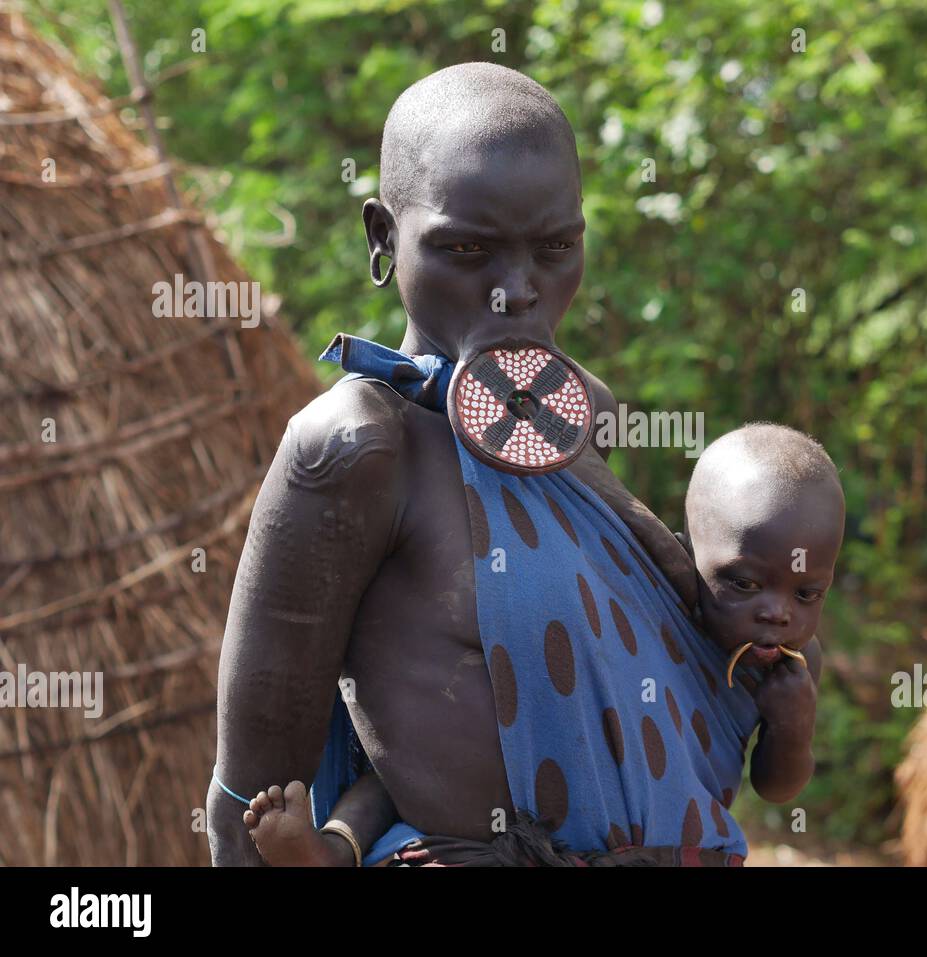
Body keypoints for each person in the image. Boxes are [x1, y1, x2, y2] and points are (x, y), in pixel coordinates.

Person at [207, 63, 793, 867]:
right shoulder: (354, 449)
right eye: (466, 249)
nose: (515, 292)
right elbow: (250, 801)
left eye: (555, 248)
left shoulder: (579, 419)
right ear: (383, 238)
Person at [240, 423, 844, 865]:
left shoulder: (794, 666)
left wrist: (791, 727)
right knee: (405, 762)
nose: (776, 613)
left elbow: (777, 786)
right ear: (684, 553)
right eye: (743, 582)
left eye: (806, 594)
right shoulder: (651, 602)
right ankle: (332, 851)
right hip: (521, 794)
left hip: (674, 842)